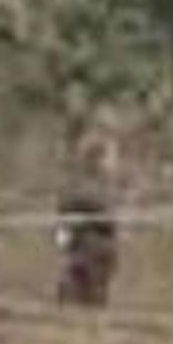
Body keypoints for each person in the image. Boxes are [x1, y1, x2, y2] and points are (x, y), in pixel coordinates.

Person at [56, 124, 121, 309]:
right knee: (82, 297)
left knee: (96, 298)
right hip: (86, 247)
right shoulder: (81, 185)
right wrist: (65, 247)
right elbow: (66, 216)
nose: (112, 162)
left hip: (98, 248)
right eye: (108, 156)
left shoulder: (103, 183)